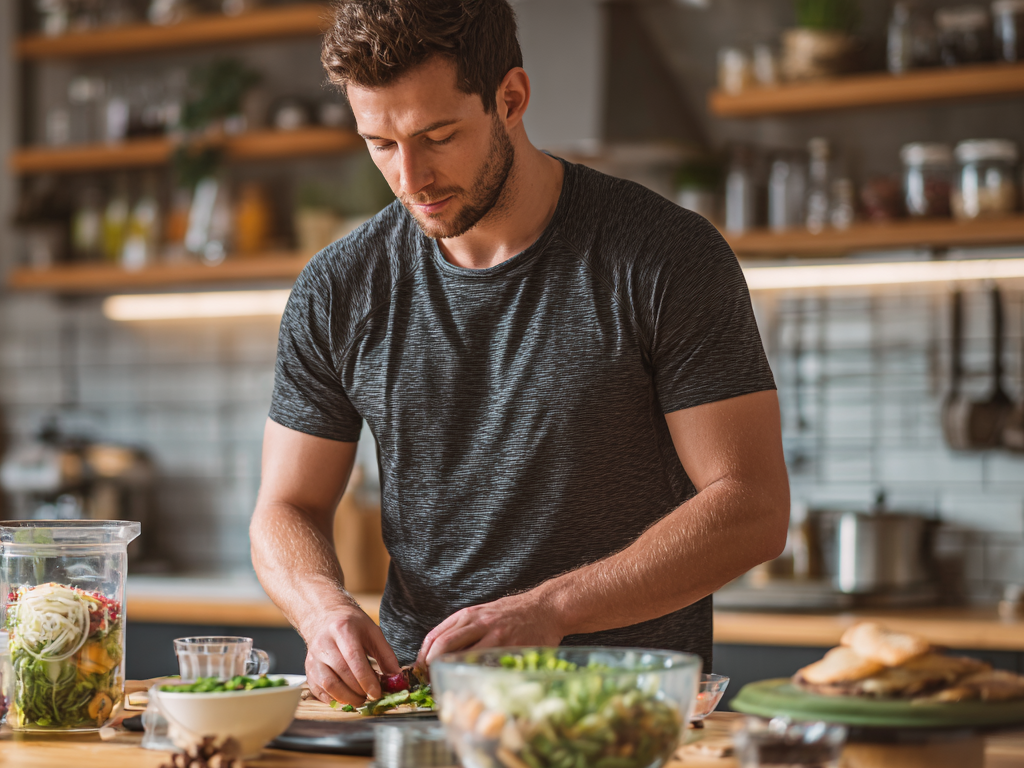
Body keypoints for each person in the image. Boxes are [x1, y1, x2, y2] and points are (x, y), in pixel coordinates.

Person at [249, 0, 790, 708]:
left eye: (438, 136)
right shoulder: (339, 288)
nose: (410, 177)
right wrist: (322, 610)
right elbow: (285, 507)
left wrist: (550, 612)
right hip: (423, 712)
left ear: (510, 98)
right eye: (380, 143)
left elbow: (752, 506)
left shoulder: (665, 257)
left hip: (623, 712)